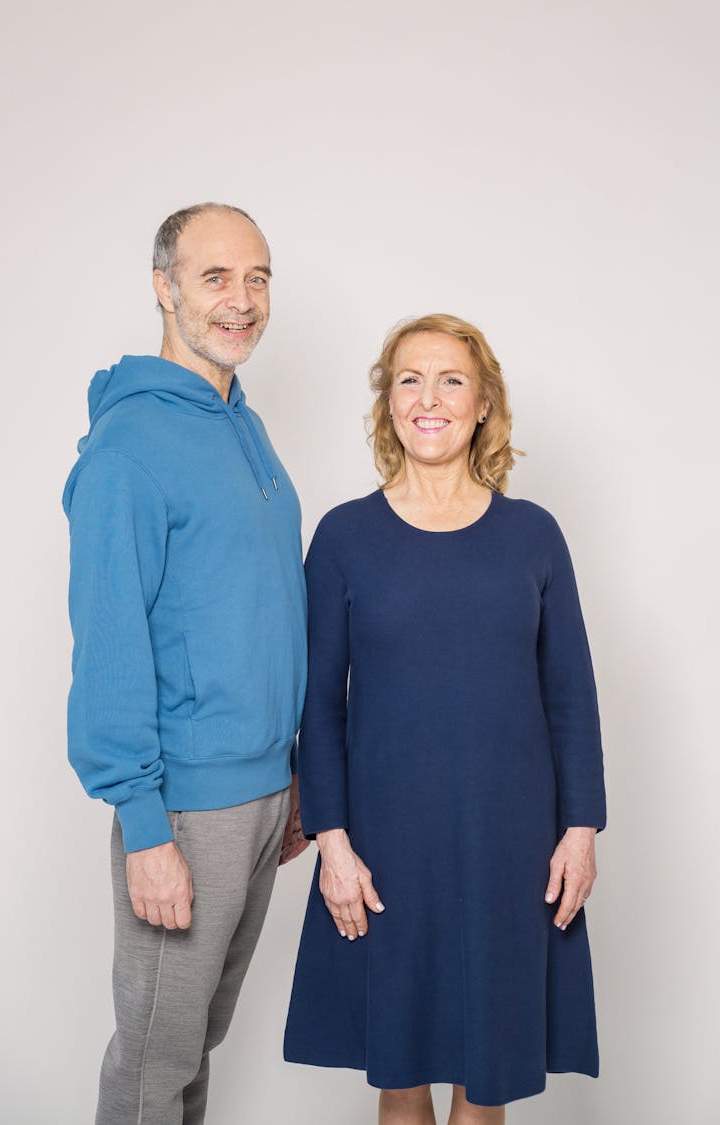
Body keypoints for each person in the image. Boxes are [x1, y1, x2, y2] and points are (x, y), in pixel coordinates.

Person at [284, 314, 606, 1125]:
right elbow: (317, 704)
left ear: (484, 402)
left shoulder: (533, 535)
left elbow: (571, 692)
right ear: (388, 402)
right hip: (387, 846)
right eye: (410, 379)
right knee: (401, 1071)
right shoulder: (343, 536)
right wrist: (331, 840)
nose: (430, 398)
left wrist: (580, 829)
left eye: (451, 379)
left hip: (510, 842)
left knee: (486, 1075)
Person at [63, 202, 309, 1125]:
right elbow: (112, 644)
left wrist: (290, 779)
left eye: (257, 277)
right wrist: (145, 825)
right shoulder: (129, 450)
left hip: (260, 794)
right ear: (164, 288)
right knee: (153, 1062)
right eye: (215, 277)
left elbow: (255, 611)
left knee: (192, 1041)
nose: (241, 301)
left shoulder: (238, 421)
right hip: (183, 807)